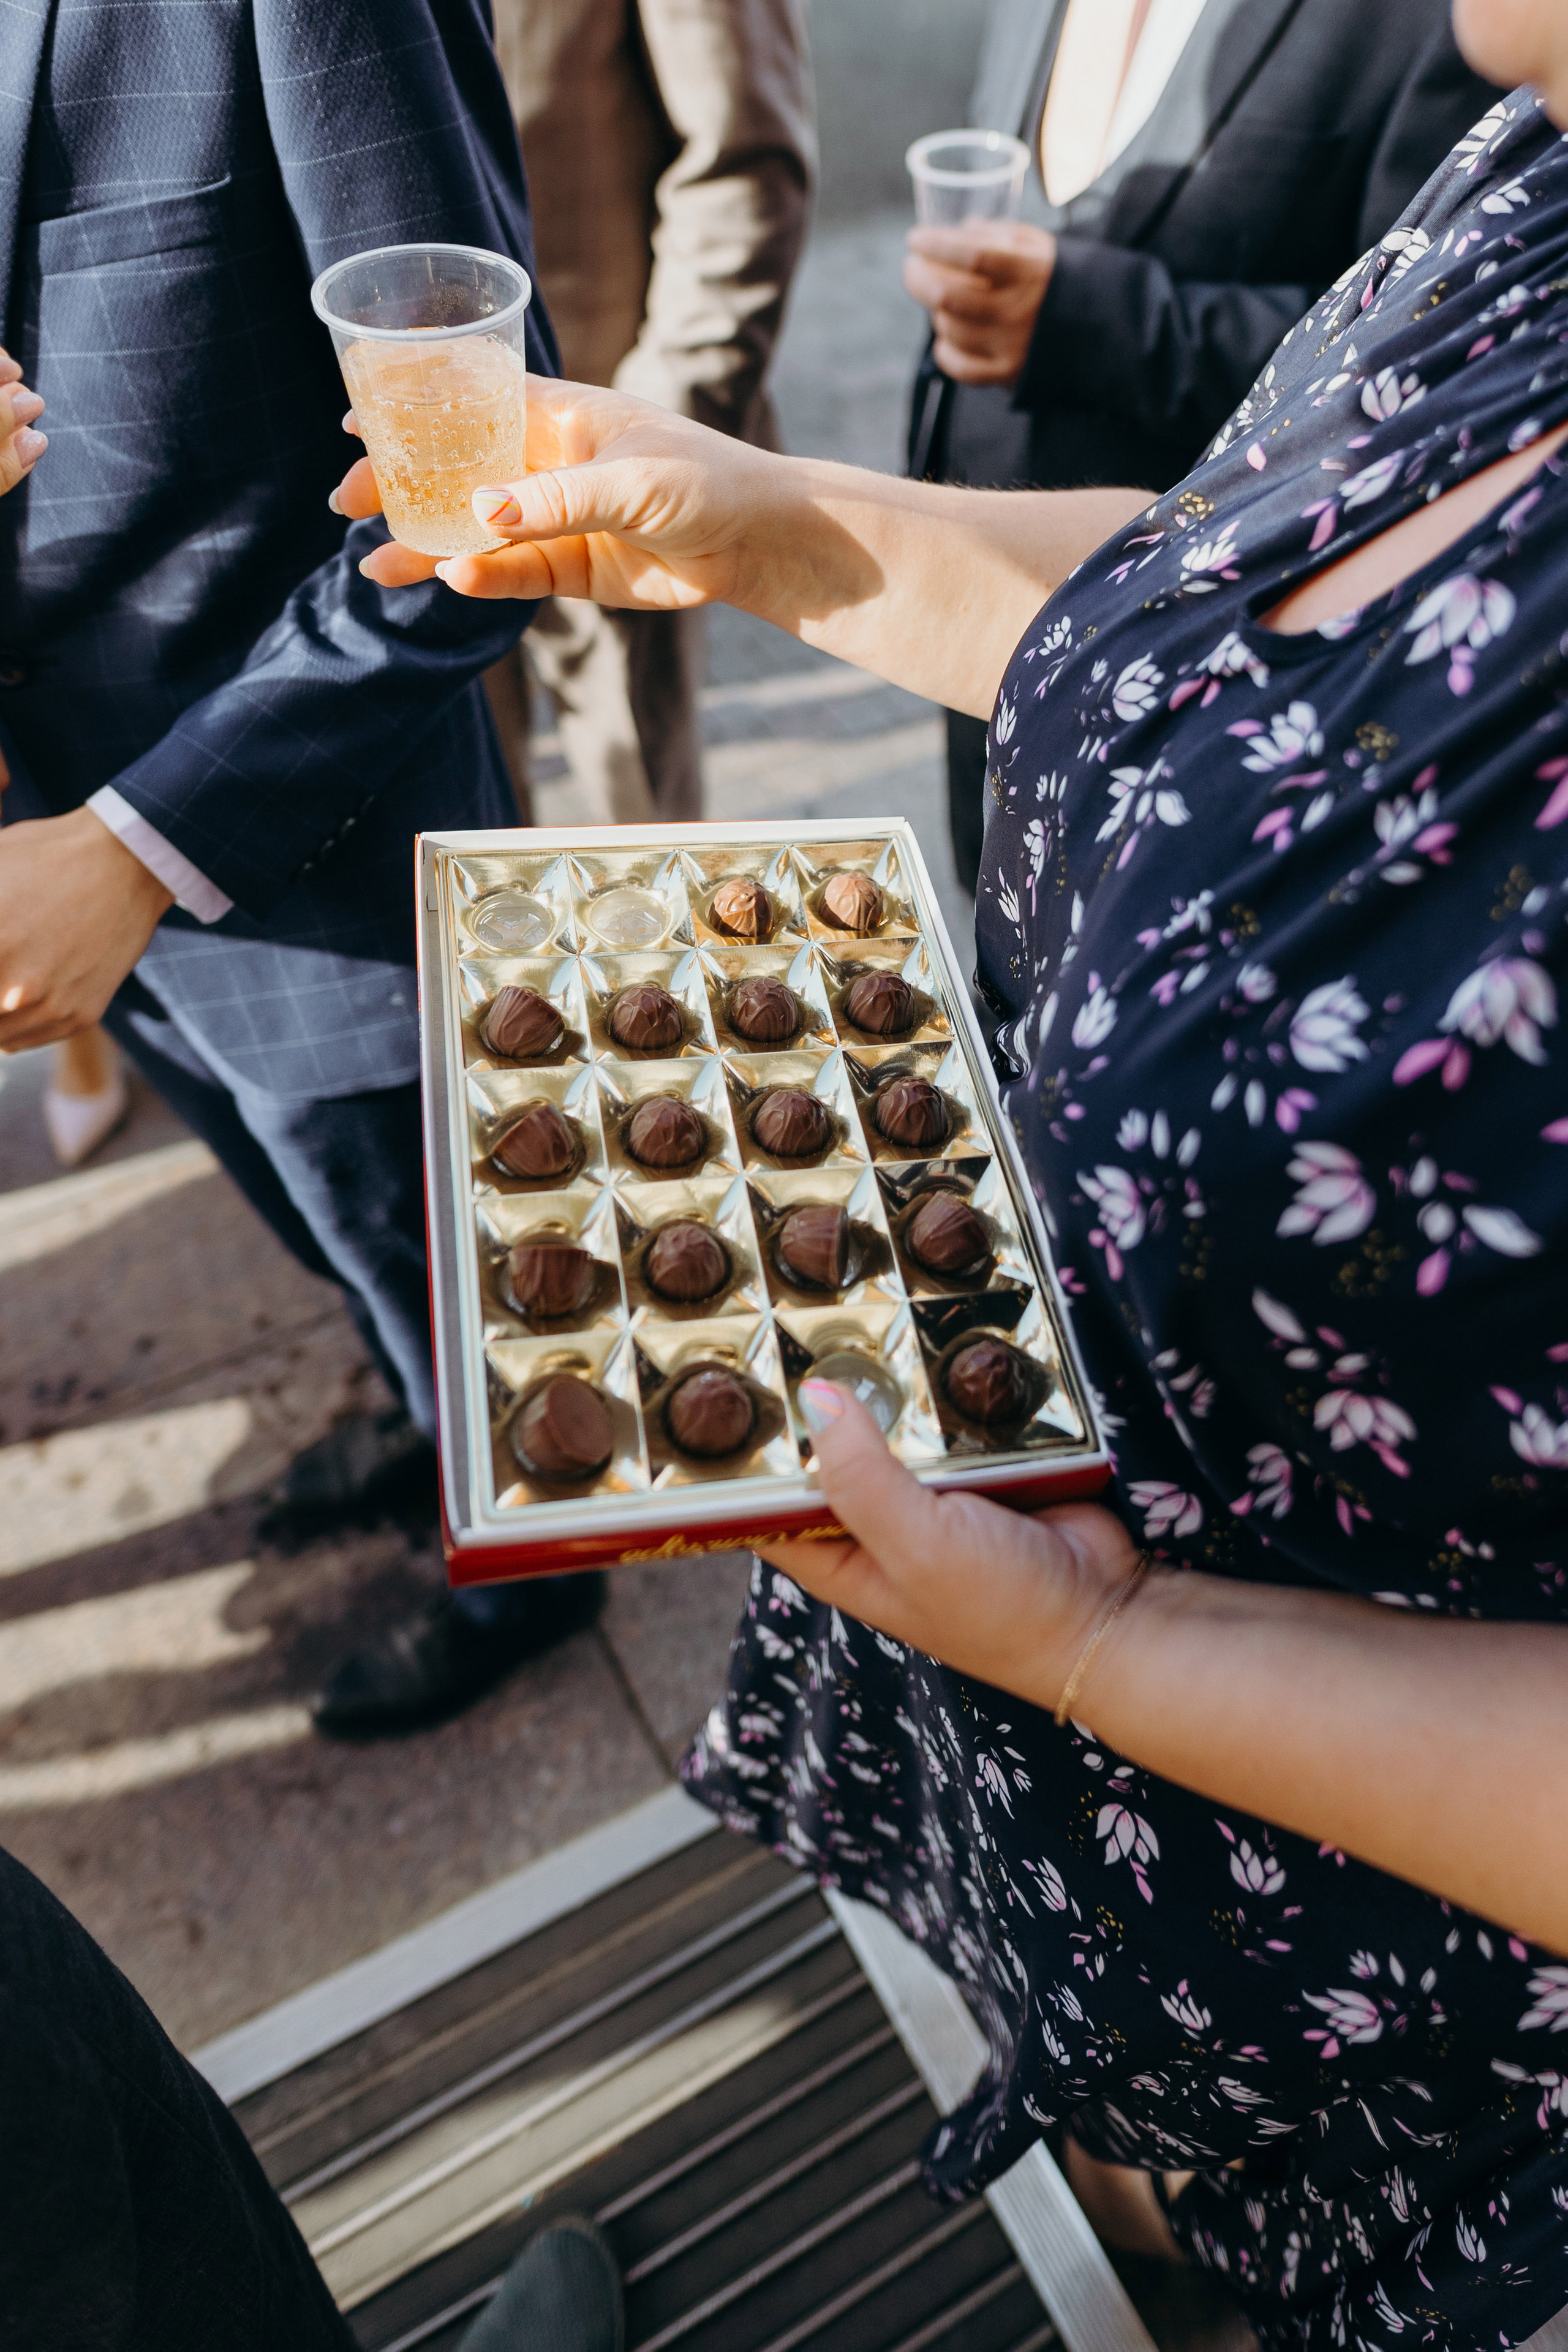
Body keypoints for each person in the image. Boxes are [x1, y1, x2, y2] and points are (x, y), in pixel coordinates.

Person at [336, 0, 1568, 2337]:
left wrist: (1121, 1645)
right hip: (1081, 1686)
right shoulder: (1539, 167)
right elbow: (1279, 627)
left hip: (1414, 1996)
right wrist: (762, 517)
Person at [0, 0, 614, 1735]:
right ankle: (426, 1420)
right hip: (53, 861)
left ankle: (542, 1569)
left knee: (470, 1277)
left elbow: (478, 500)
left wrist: (139, 846)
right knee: (347, 1252)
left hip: (318, 859)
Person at [903, 0, 1499, 891]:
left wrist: (1091, 320)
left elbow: (1412, 358)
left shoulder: (1460, 19)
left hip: (1194, 672)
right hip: (979, 601)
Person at [482, 0, 815, 821]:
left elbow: (743, 161)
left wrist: (664, 424)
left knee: (644, 823)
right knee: (464, 836)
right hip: (412, 467)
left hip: (611, 446)